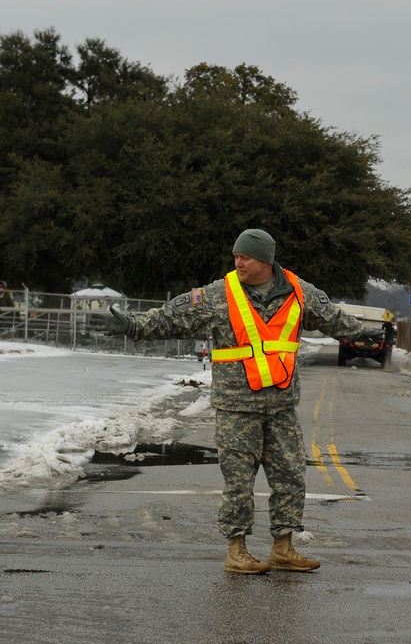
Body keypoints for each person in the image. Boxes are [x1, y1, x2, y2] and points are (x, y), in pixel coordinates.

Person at [93, 228, 364, 575]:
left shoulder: (298, 291)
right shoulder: (220, 294)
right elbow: (172, 316)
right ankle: (237, 550)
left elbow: (330, 317)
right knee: (239, 482)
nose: (238, 263)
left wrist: (361, 332)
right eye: (235, 257)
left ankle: (283, 548)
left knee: (291, 477)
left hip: (281, 406)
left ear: (265, 261)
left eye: (245, 257)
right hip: (237, 407)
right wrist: (132, 325)